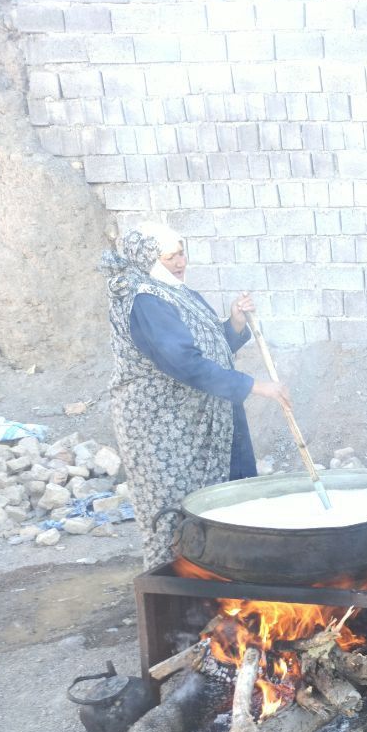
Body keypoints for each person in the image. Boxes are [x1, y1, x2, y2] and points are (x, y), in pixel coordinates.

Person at [102, 222, 289, 568]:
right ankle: (180, 592)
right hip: (165, 431)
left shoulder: (172, 290)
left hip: (201, 418)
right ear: (147, 259)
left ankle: (228, 578)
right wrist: (254, 386)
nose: (180, 262)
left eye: (181, 252)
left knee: (225, 502)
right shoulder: (145, 301)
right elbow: (185, 363)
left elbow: (209, 348)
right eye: (169, 256)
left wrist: (233, 322)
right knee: (181, 511)